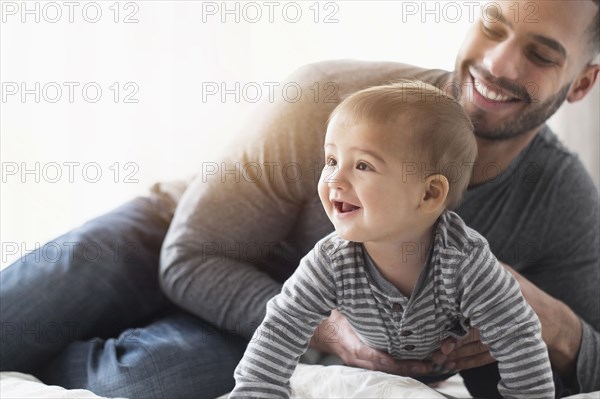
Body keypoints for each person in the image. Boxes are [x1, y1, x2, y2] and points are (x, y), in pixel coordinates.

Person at [1, 1, 598, 398]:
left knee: (154, 381)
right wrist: (333, 330)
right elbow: (190, 255)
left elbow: (589, 356)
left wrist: (563, 330)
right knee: (16, 315)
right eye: (492, 26)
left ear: (581, 83)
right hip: (185, 236)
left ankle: (53, 363)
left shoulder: (561, 201)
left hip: (265, 325)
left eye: (542, 54)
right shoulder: (331, 97)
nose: (497, 63)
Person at [230, 82, 555, 398]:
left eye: (362, 165)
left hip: (454, 360)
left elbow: (517, 334)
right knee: (332, 379)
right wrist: (255, 390)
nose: (335, 180)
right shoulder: (331, 260)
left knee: (495, 368)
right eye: (331, 161)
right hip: (372, 362)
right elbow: (283, 325)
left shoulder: (464, 260)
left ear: (429, 193)